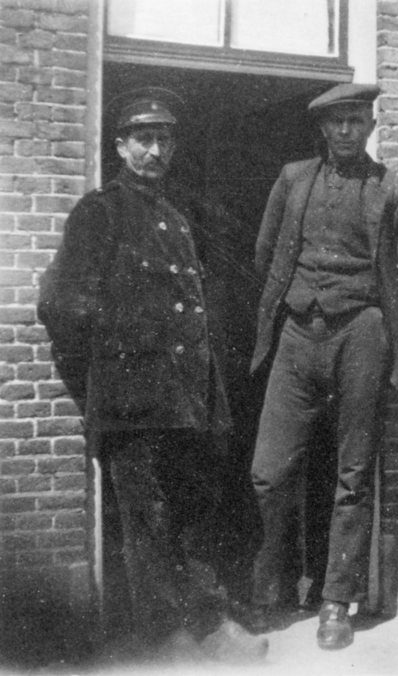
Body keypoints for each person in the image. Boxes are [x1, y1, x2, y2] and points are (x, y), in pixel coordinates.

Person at [37, 87, 267, 663]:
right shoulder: (99, 212)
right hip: (134, 403)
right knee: (147, 524)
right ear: (120, 146)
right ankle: (165, 641)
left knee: (193, 517)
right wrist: (105, 380)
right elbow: (63, 306)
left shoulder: (176, 218)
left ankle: (209, 622)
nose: (155, 151)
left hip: (187, 400)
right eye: (143, 139)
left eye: (164, 140)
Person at [248, 82, 398, 650]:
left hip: (361, 335)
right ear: (322, 128)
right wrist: (295, 301)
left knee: (353, 474)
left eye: (356, 121)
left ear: (371, 126)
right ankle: (272, 585)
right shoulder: (293, 180)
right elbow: (266, 255)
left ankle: (337, 600)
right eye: (336, 121)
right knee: (269, 471)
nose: (345, 131)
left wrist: (382, 318)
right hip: (296, 335)